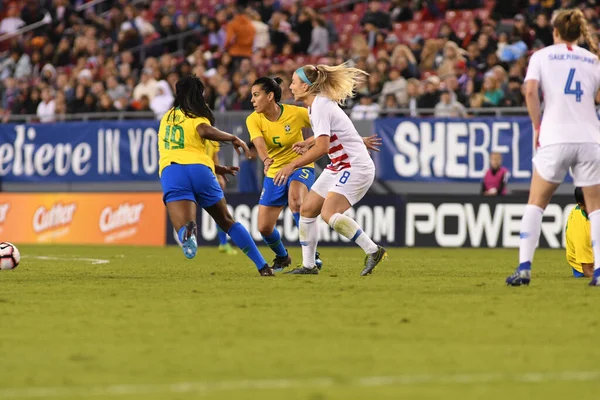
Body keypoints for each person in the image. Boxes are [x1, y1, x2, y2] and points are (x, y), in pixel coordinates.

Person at [246, 76, 382, 272]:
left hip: (305, 166)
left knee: (299, 200)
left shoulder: (305, 110)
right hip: (280, 170)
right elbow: (325, 131)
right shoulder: (256, 118)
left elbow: (327, 137)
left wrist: (357, 140)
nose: (290, 87)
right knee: (292, 216)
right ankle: (306, 264)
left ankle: (372, 250)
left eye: (293, 82)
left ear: (269, 96)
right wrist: (268, 160)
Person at [505, 9, 600, 287]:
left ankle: (524, 268)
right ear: (580, 32)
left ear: (555, 31)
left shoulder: (541, 57)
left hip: (555, 136)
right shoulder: (592, 59)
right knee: (595, 209)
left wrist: (537, 126)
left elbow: (531, 92)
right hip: (589, 139)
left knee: (536, 204)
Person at [158, 74, 274, 276]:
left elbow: (184, 148)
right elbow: (203, 131)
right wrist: (232, 137)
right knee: (227, 221)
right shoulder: (197, 117)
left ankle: (188, 233)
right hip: (200, 170)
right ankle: (262, 266)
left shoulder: (166, 118)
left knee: (182, 224)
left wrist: (219, 168)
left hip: (172, 170)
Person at [205, 140, 238, 255]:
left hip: (209, 177)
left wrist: (219, 177)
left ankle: (223, 243)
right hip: (196, 175)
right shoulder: (195, 132)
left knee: (220, 209)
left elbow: (215, 158)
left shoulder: (211, 138)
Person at [566, 187, 594, 278]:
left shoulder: (586, 209)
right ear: (581, 205)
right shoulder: (582, 231)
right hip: (585, 266)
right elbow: (588, 271)